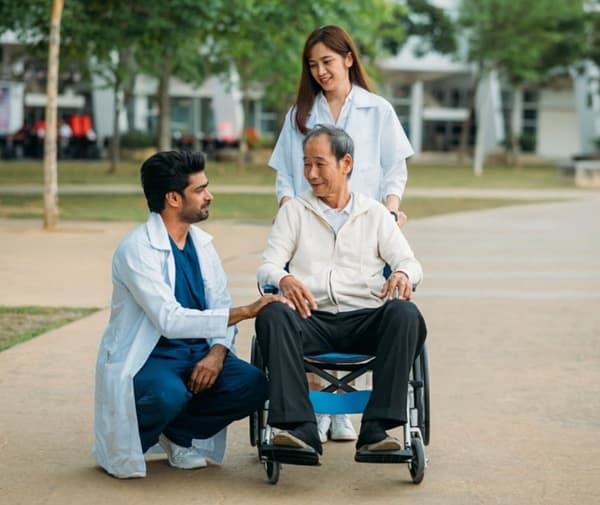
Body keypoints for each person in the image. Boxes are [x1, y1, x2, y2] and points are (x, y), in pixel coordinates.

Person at [93, 150, 289, 479]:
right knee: (166, 395)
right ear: (172, 198)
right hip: (150, 358)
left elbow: (218, 302)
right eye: (200, 190)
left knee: (253, 385)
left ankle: (178, 434)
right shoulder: (137, 250)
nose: (209, 196)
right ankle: (137, 439)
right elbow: (169, 319)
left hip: (198, 351)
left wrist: (216, 353)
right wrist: (245, 312)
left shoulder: (201, 244)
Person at [268, 24, 414, 442]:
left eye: (327, 62)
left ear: (348, 58)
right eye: (313, 65)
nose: (320, 72)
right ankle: (315, 408)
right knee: (312, 300)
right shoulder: (300, 113)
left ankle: (347, 410)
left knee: (363, 301)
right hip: (309, 223)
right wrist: (290, 215)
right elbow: (284, 175)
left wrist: (389, 211)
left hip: (366, 226)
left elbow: (394, 169)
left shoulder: (377, 109)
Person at [255, 125, 427, 459]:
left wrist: (404, 272)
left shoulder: (374, 213)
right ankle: (299, 429)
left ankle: (378, 430)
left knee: (406, 313)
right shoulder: (294, 212)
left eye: (319, 164)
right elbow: (267, 266)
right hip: (310, 318)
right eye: (306, 164)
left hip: (365, 320)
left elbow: (410, 261)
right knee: (272, 313)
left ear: (345, 163)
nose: (311, 173)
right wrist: (284, 278)